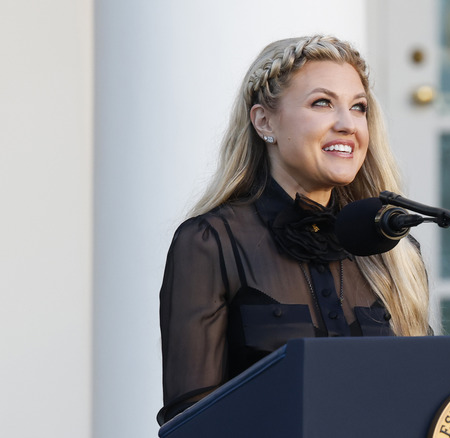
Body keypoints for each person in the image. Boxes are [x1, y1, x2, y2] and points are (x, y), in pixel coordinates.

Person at [157, 35, 431, 425]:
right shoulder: (210, 242)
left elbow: (425, 399)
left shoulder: (396, 249)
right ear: (264, 121)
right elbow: (191, 418)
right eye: (322, 103)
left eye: (358, 108)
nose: (347, 124)